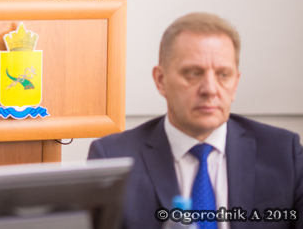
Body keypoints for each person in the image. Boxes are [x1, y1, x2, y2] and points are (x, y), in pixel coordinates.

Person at [88, 13, 303, 229]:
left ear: (236, 83)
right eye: (193, 73)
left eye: (223, 75)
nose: (210, 89)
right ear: (161, 81)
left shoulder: (284, 154)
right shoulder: (112, 158)